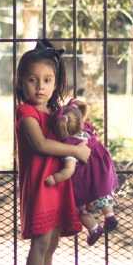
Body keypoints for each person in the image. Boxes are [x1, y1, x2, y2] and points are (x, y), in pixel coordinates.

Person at [15, 39, 91, 265]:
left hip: (57, 185)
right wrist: (75, 150)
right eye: (33, 80)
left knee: (52, 243)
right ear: (21, 81)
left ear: (56, 82)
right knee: (41, 243)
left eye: (47, 80)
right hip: (40, 185)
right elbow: (40, 145)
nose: (40, 86)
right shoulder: (26, 113)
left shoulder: (53, 113)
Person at [45, 99, 119, 246]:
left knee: (78, 208)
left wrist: (54, 178)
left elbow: (68, 170)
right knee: (102, 193)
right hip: (102, 171)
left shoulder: (70, 146)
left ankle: (94, 228)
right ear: (80, 121)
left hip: (85, 180)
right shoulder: (87, 130)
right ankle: (109, 215)